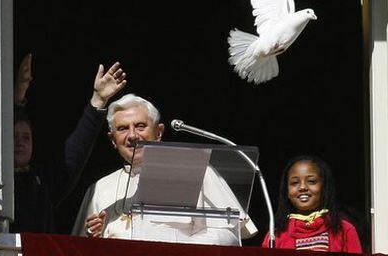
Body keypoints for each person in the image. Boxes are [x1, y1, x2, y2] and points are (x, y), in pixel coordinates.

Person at [72, 94, 257, 245]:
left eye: (140, 126)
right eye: (122, 129)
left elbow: (227, 236)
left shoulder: (196, 171)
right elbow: (75, 248)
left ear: (159, 132)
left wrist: (172, 248)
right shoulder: (99, 188)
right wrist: (95, 241)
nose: (132, 135)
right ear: (113, 140)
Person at [12, 53, 126, 233]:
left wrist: (98, 101)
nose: (20, 143)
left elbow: (74, 154)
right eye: (14, 137)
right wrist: (17, 100)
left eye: (26, 137)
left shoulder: (43, 183)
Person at [262, 155, 362, 253]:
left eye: (311, 181)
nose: (302, 187)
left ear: (324, 187)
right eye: (294, 183)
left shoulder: (344, 229)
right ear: (287, 192)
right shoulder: (275, 235)